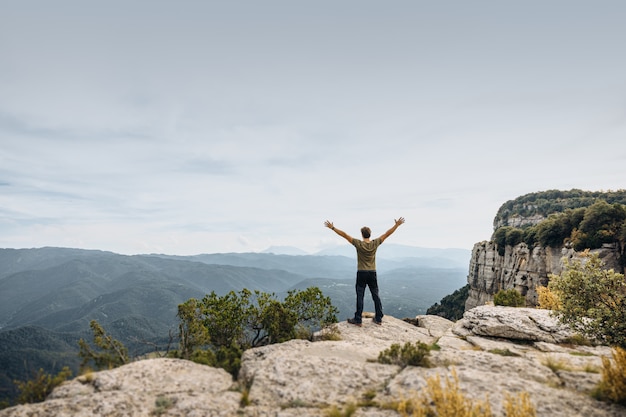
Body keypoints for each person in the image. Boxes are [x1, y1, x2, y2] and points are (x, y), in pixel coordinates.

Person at [324, 217, 405, 326]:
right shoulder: (375, 243)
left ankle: (358, 319)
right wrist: (396, 225)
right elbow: (387, 234)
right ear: (370, 234)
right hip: (372, 272)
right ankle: (379, 318)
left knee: (360, 295)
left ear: (362, 234)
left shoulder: (358, 244)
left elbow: (345, 235)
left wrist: (333, 228)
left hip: (361, 273)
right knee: (375, 295)